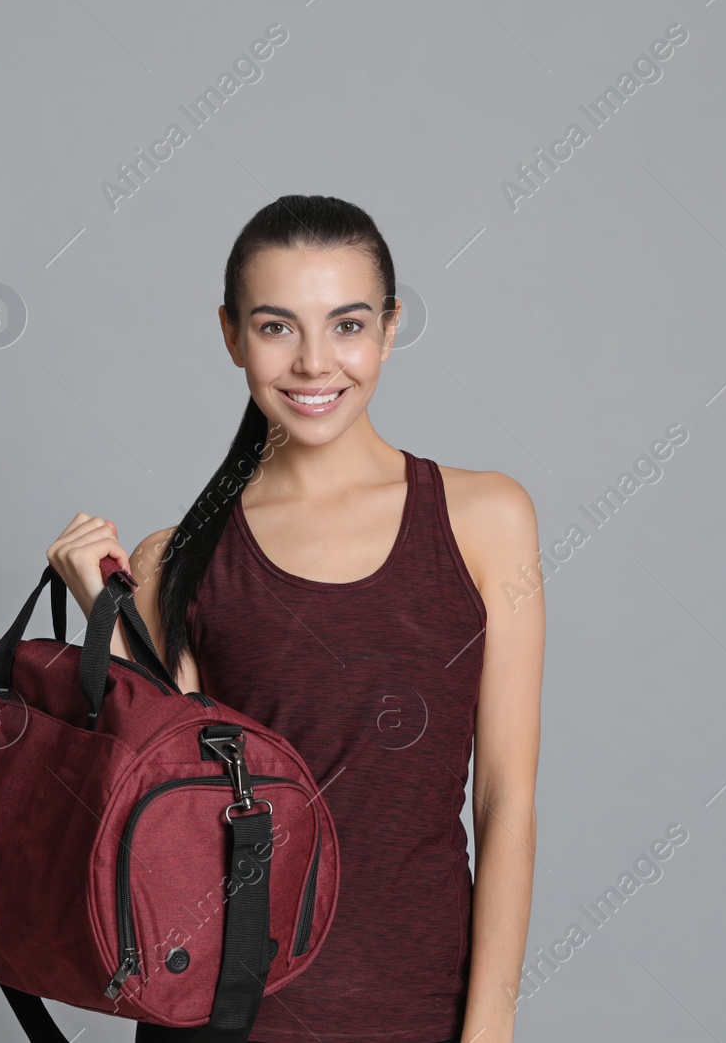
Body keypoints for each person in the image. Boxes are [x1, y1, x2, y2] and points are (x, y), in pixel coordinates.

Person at [46, 195, 543, 1043]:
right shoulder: (181, 556)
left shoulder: (485, 519)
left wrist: (489, 1028)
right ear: (232, 335)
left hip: (414, 1012)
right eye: (277, 328)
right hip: (217, 1019)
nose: (315, 363)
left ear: (390, 328)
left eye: (346, 324)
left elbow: (505, 798)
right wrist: (109, 614)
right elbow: (173, 799)